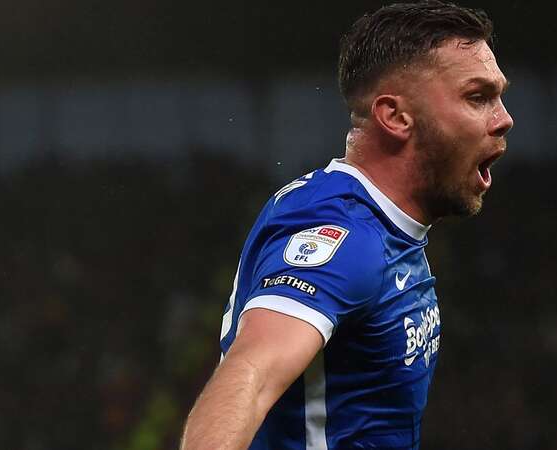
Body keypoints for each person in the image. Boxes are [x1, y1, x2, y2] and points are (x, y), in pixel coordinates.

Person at [180, 1, 513, 449]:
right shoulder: (344, 234)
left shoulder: (385, 223)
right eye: (478, 97)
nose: (504, 118)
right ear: (395, 117)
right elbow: (250, 373)